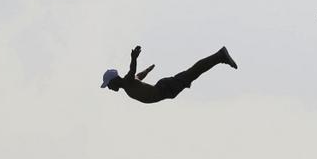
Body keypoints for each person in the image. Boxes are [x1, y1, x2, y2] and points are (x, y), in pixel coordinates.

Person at [101, 45, 237, 104]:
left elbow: (132, 71)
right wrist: (147, 71)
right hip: (166, 90)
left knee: (193, 72)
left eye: (108, 85)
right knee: (193, 73)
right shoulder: (127, 84)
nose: (109, 88)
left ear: (113, 80)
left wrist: (134, 58)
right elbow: (138, 76)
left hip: (164, 89)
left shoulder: (126, 82)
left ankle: (220, 56)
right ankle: (219, 57)